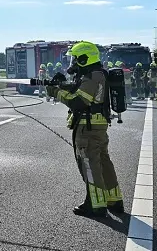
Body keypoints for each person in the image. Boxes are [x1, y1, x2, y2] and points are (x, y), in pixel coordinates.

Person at [45, 41, 123, 217]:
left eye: (75, 59)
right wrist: (63, 85)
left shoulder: (92, 77)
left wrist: (56, 92)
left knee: (90, 164)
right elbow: (81, 92)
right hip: (98, 126)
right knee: (103, 162)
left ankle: (95, 205)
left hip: (88, 129)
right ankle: (113, 200)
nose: (72, 63)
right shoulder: (97, 74)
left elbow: (78, 102)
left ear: (84, 59)